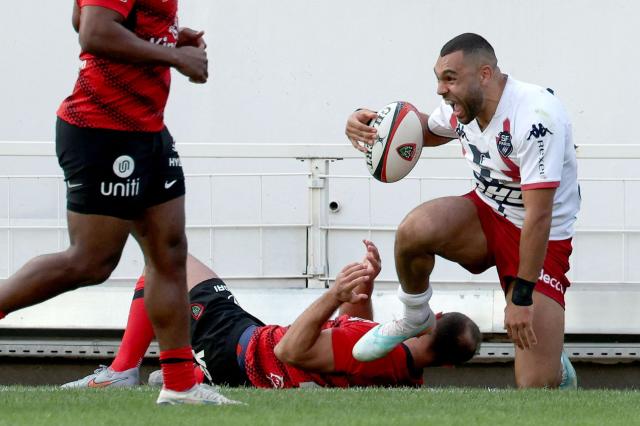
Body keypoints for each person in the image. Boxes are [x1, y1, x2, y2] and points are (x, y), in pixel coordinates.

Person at [0, 0, 233, 405]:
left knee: (169, 249)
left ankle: (180, 385)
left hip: (147, 130)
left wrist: (172, 37)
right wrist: (174, 56)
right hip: (102, 130)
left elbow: (87, 17)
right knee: (91, 261)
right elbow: (92, 31)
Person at [345, 33, 580, 389]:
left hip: (539, 238)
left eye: (449, 78)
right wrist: (371, 125)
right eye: (439, 79)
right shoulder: (466, 105)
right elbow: (426, 129)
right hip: (486, 215)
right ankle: (414, 316)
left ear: (484, 74)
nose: (441, 90)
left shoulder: (536, 117)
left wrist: (521, 298)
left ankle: (555, 367)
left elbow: (539, 216)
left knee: (536, 389)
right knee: (413, 231)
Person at [63, 241, 481, 389]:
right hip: (246, 349)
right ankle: (188, 370)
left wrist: (335, 295)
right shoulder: (405, 368)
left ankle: (122, 370)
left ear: (432, 314)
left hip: (238, 348)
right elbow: (358, 335)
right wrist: (362, 290)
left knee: (164, 261)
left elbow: (290, 348)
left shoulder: (377, 354)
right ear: (444, 362)